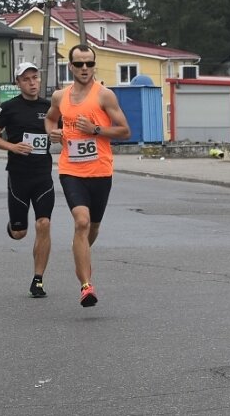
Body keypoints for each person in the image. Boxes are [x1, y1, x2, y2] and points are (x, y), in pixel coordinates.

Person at [45, 44, 131, 307]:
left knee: (92, 227)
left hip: (100, 171)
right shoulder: (60, 96)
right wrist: (52, 132)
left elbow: (124, 130)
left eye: (89, 64)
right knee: (81, 221)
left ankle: (79, 250)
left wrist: (95, 129)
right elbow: (50, 120)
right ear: (70, 66)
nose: (85, 69)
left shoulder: (105, 96)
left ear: (94, 66)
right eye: (79, 64)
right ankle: (86, 286)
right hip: (71, 169)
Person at [0, 62, 54, 298]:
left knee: (43, 224)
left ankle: (38, 279)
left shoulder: (50, 107)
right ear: (18, 82)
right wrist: (12, 146)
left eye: (35, 78)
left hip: (43, 174)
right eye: (26, 79)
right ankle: (14, 226)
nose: (32, 83)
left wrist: (62, 136)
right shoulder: (9, 108)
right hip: (18, 176)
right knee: (20, 233)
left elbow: (63, 133)